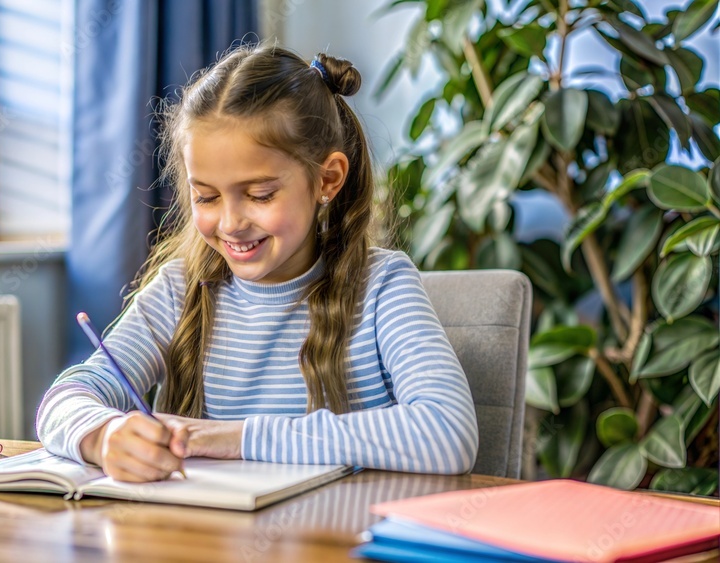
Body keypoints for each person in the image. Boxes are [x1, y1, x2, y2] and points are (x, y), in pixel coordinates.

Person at [37, 44, 479, 483]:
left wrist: (238, 438)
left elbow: (449, 431)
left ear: (327, 180)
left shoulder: (383, 286)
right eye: (205, 197)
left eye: (260, 195)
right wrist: (103, 434)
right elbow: (63, 400)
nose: (230, 223)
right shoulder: (179, 289)